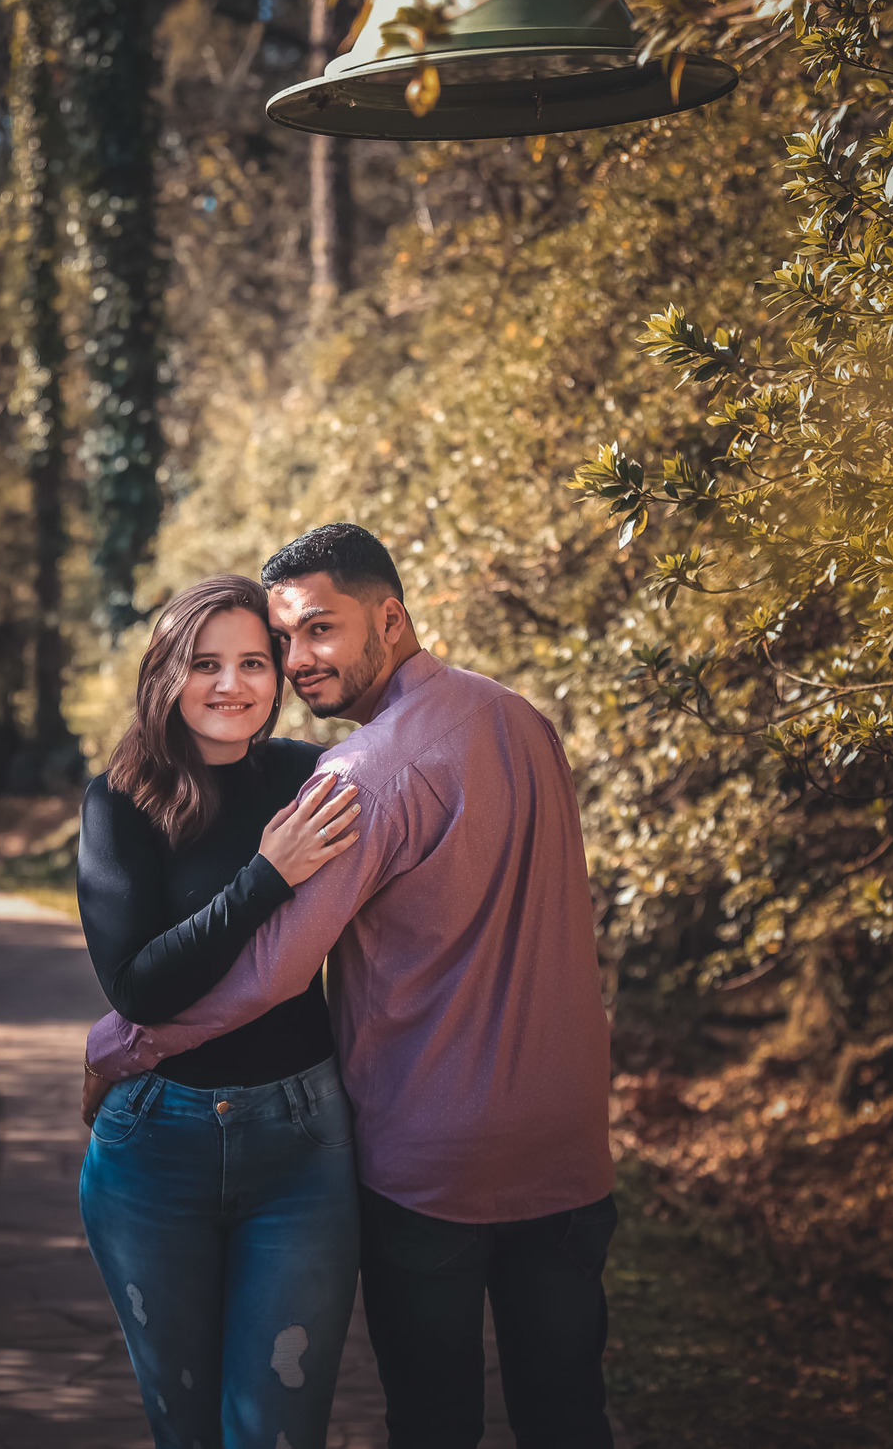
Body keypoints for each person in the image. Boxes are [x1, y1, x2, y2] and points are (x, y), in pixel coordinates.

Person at [85, 524, 618, 1449]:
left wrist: (120, 1047)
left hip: (430, 1155)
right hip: (568, 1141)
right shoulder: (523, 720)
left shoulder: (357, 772)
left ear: (392, 617)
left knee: (435, 1418)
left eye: (315, 632)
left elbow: (273, 972)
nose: (296, 663)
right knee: (568, 1410)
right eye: (283, 640)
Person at [76, 573, 363, 1449]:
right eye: (206, 663)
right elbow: (139, 987)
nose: (233, 684)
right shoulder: (119, 802)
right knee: (187, 1430)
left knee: (279, 1431)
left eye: (252, 662)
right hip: (154, 1151)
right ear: (167, 671)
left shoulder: (309, 774)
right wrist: (267, 876)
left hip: (302, 1151)